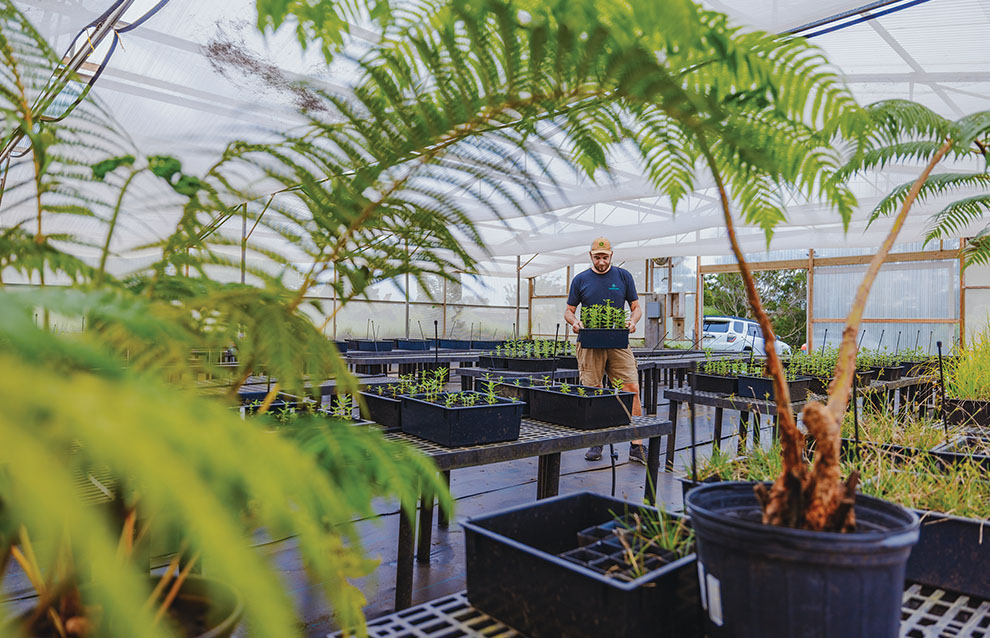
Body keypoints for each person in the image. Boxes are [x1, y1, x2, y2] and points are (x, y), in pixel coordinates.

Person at [564, 237, 645, 464]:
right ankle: (596, 441)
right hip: (589, 341)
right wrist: (575, 321)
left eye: (605, 257)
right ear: (591, 255)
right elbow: (569, 311)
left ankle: (636, 445)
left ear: (612, 255)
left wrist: (633, 321)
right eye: (597, 257)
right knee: (593, 390)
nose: (601, 261)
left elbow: (636, 307)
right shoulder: (580, 280)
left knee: (631, 388)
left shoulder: (623, 276)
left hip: (618, 340)